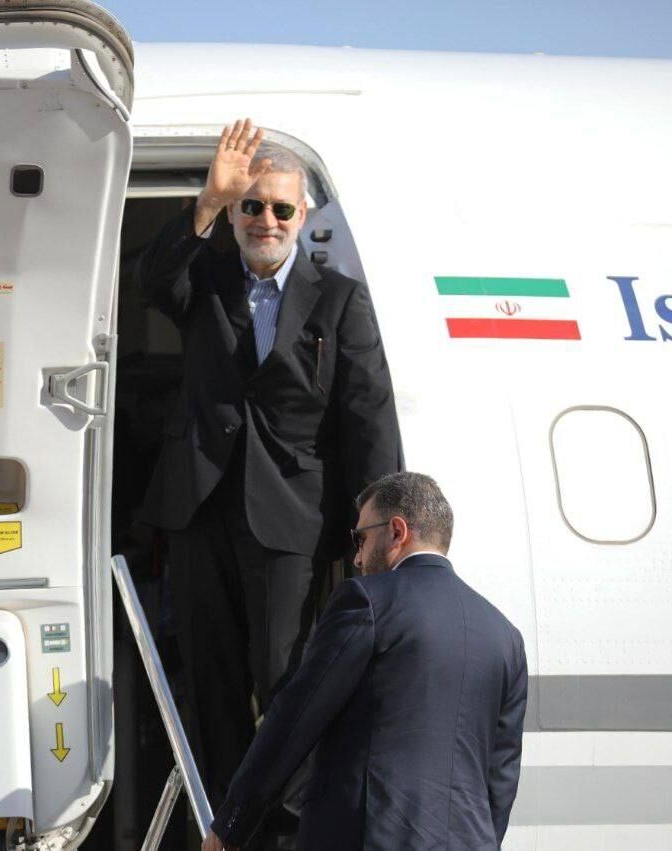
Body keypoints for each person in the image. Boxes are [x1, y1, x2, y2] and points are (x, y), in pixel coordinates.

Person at [137, 118, 403, 845]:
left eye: (281, 208)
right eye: (251, 206)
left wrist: (380, 530)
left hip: (292, 522)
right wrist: (205, 202)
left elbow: (367, 415)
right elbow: (150, 281)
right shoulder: (205, 280)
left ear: (302, 215)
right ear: (235, 212)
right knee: (211, 681)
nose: (266, 220)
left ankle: (286, 833)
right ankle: (225, 830)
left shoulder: (338, 299)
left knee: (289, 685)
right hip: (199, 511)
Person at [202, 472, 529, 851]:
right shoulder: (506, 636)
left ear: (396, 531)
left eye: (360, 539)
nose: (356, 557)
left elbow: (296, 717)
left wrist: (233, 822)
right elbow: (501, 778)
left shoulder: (367, 601)